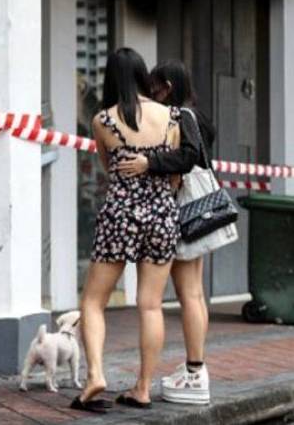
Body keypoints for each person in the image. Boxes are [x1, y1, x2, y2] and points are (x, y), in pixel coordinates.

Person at [71, 48, 181, 413]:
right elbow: (175, 172)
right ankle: (144, 388)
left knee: (92, 301)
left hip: (121, 212)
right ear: (142, 75)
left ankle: (95, 376)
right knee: (150, 305)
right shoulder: (171, 117)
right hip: (162, 211)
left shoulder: (103, 120)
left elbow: (108, 168)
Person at [116, 59, 216, 405]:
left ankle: (194, 372)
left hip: (183, 209)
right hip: (199, 212)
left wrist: (150, 163)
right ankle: (196, 371)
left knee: (188, 294)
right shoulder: (197, 115)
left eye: (153, 88)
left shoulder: (180, 116)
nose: (149, 95)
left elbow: (188, 158)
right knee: (196, 294)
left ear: (166, 88)